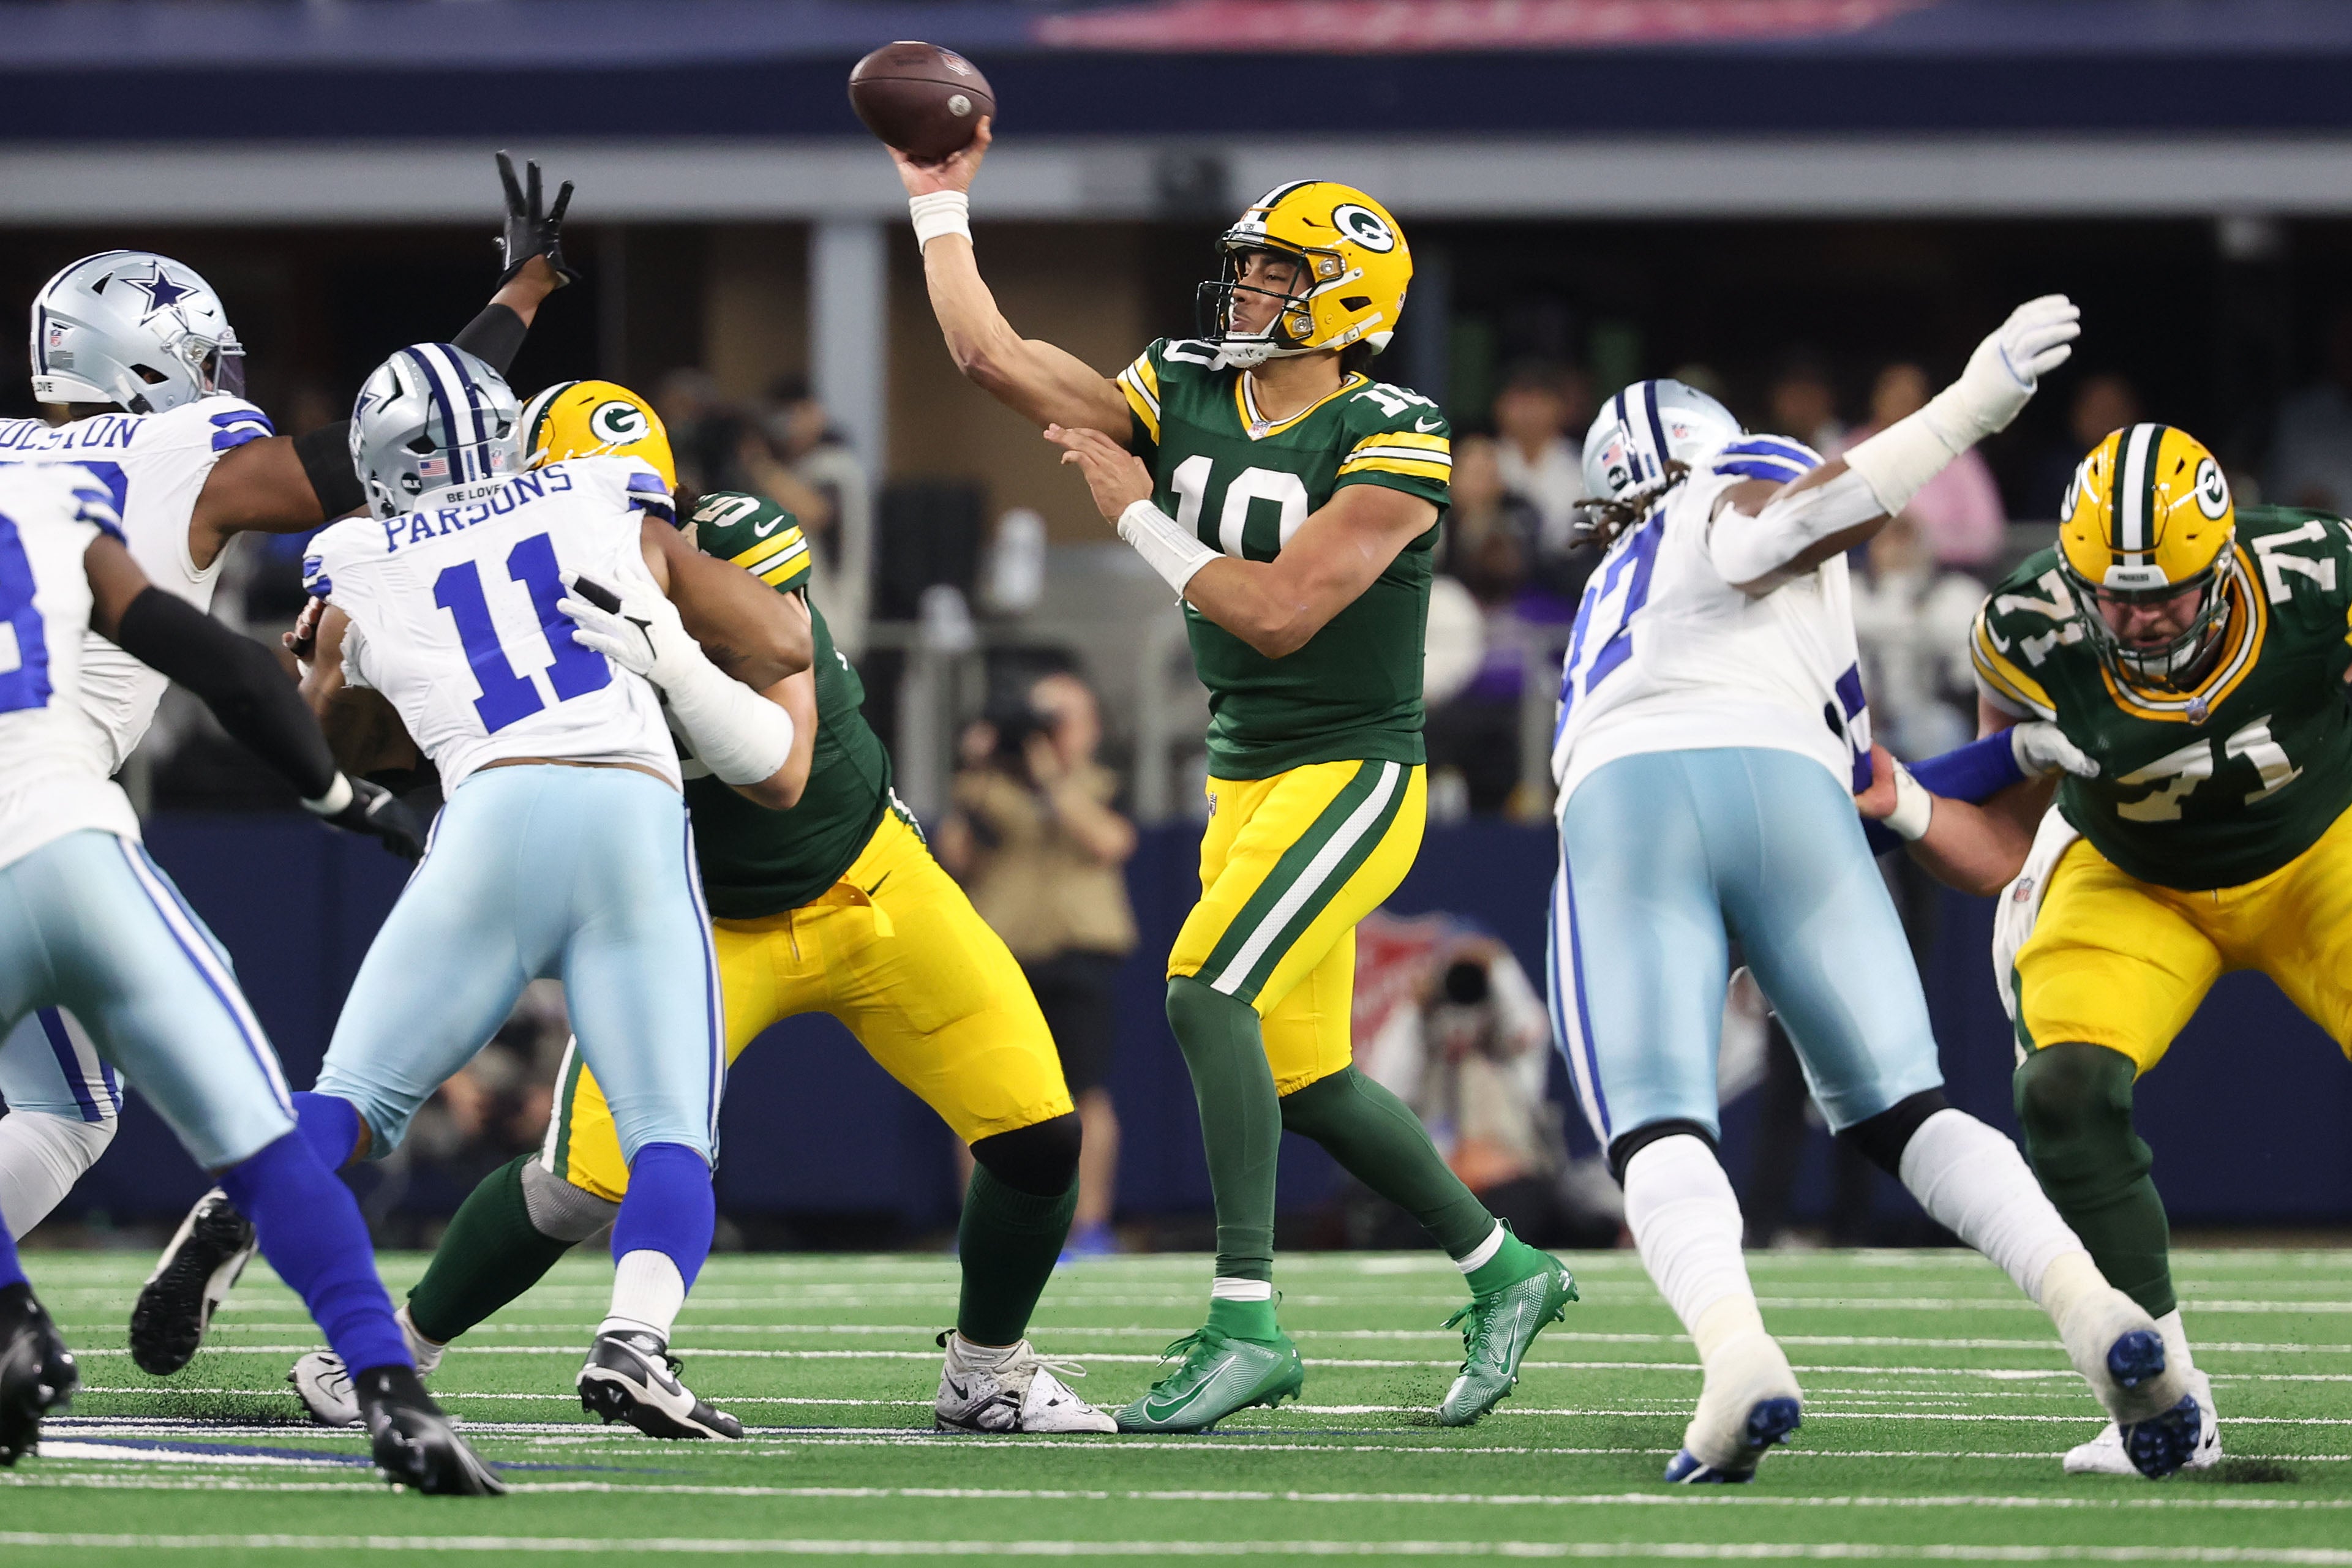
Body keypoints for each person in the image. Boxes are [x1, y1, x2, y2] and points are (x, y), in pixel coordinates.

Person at [894, 121, 1578, 1435]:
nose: (1247, 291)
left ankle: (1244, 1319)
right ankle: (1508, 1265)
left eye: (1277, 274)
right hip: (1244, 770)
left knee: (1206, 991)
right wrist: (940, 204)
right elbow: (992, 355)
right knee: (1304, 1072)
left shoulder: (1398, 429)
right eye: (1249, 270)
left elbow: (1277, 613)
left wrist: (1132, 513)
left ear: (1348, 300)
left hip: (1352, 769)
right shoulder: (1188, 382)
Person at [280, 407, 1114, 1438]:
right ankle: (395, 1349)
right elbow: (383, 748)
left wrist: (669, 655)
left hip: (869, 879)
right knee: (575, 1189)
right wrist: (336, 666)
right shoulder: (490, 586)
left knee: (1037, 1138)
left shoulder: (730, 542)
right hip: (698, 917)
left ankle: (985, 1370)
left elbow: (786, 760)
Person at [1549, 325, 2203, 1486]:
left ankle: (1736, 1353)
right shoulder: (1747, 527)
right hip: (1796, 799)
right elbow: (1859, 782)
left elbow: (1786, 521)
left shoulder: (1658, 542)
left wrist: (1966, 411)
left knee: (1654, 1125)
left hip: (1629, 799)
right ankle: (2097, 1314)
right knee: (1911, 1113)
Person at [136, 345, 812, 1444]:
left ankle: (238, 1207)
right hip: (625, 808)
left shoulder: (351, 552)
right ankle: (635, 1342)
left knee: (349, 1099)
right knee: (668, 1135)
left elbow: (326, 737)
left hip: (488, 816)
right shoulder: (596, 489)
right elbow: (782, 638)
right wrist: (674, 633)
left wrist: (319, 661)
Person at [0, 152, 572, 1253]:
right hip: (34, 823)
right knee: (78, 1113)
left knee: (66, 1105)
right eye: (202, 359)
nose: (221, 382)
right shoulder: (174, 450)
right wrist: (520, 301)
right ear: (147, 359)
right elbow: (385, 449)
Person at [0, 462, 494, 1493]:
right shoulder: (53, 502)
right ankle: (395, 1398)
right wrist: (341, 801)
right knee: (266, 1144)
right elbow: (225, 669)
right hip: (79, 845)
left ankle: (15, 1321)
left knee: (79, 1115)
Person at [1889, 421, 2352, 1477]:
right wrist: (1910, 811)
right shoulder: (2028, 626)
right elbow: (2002, 828)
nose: (2138, 618)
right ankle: (2165, 1403)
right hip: (2136, 876)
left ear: (2227, 561)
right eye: (2115, 593)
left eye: (2165, 594)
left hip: (2321, 848)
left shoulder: (2319, 574)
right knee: (2060, 1090)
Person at [939, 670, 1140, 1258]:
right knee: (982, 1094)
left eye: (1061, 720)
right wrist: (978, 773)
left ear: (1090, 727)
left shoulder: (1100, 783)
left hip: (1079, 952)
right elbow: (954, 856)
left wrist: (1051, 775)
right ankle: (979, 1223)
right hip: (1002, 953)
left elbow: (1108, 843)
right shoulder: (986, 789)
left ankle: (1090, 1226)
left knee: (1085, 1093)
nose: (1045, 733)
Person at [1844, 362, 2007, 571]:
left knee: (1964, 596)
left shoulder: (1957, 456)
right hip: (1861, 577)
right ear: (1876, 400)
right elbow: (1814, 523)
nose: (1900, 405)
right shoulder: (1847, 452)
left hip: (1939, 580)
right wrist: (1874, 536)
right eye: (1893, 396)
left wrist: (1924, 537)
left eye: (1909, 398)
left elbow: (1989, 537)